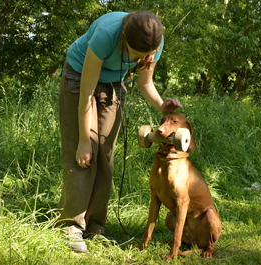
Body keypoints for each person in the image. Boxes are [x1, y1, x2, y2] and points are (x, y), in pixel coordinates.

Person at [57, 11, 182, 253]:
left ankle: (94, 224)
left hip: (114, 83)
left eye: (148, 54)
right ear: (124, 40)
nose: (144, 58)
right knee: (83, 154)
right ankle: (71, 225)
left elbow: (145, 83)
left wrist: (161, 105)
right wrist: (84, 139)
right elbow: (86, 93)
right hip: (79, 77)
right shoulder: (107, 34)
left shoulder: (154, 39)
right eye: (138, 55)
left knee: (105, 153)